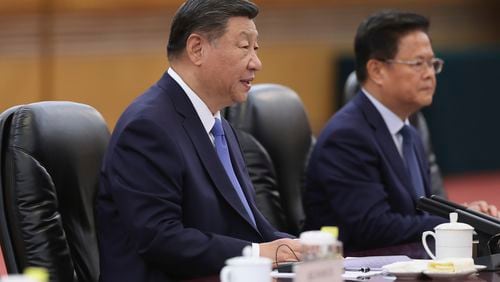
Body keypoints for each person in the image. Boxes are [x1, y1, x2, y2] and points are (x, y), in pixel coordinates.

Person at [95, 1, 301, 281]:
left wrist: (298, 248)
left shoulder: (220, 125)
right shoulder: (147, 127)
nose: (256, 63)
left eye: (256, 49)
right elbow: (161, 238)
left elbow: (248, 227)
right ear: (197, 49)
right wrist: (259, 253)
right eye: (244, 47)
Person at [303, 10, 497, 254]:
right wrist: (460, 224)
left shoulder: (409, 132)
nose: (429, 74)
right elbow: (373, 226)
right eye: (417, 63)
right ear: (377, 70)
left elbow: (418, 215)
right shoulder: (347, 136)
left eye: (432, 63)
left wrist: (466, 215)